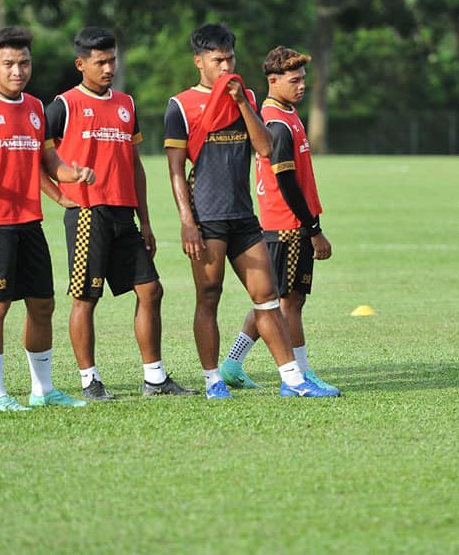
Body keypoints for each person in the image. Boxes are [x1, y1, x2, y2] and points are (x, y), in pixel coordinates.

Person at [163, 23, 337, 399]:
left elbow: (265, 148)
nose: (226, 67)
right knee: (208, 297)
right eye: (217, 60)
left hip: (243, 218)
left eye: (230, 59)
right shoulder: (180, 105)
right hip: (206, 219)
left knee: (268, 296)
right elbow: (176, 169)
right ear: (199, 61)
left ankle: (292, 380)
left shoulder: (249, 97)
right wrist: (186, 222)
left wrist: (242, 102)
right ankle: (213, 380)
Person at [0, 26, 94, 412]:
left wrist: (72, 174)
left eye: (24, 63)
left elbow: (49, 161)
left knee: (42, 304)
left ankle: (43, 390)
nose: (17, 71)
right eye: (9, 63)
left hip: (29, 220)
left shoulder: (35, 108)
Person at [44, 27, 197, 400]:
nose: (109, 68)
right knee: (86, 298)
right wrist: (59, 196)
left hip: (124, 215)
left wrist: (146, 221)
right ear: (81, 64)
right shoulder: (63, 105)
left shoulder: (126, 104)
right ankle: (89, 381)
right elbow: (36, 158)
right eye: (100, 62)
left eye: (112, 60)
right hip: (87, 214)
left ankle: (155, 379)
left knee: (151, 290)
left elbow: (135, 166)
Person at [219, 46, 339, 395]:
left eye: (303, 79)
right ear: (273, 81)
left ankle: (233, 363)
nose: (302, 86)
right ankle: (301, 374)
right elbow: (286, 183)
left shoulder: (285, 113)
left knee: (270, 300)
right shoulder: (277, 124)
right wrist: (313, 229)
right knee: (290, 304)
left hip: (285, 224)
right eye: (294, 80)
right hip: (287, 226)